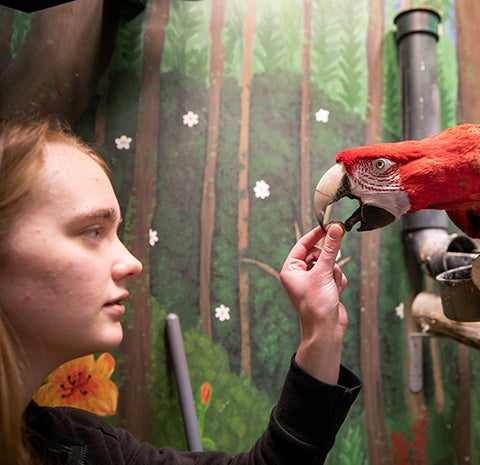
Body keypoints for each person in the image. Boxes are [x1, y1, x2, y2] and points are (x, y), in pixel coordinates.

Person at [0, 114, 361, 465]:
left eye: (115, 233)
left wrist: (322, 330)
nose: (132, 263)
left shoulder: (85, 448)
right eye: (92, 231)